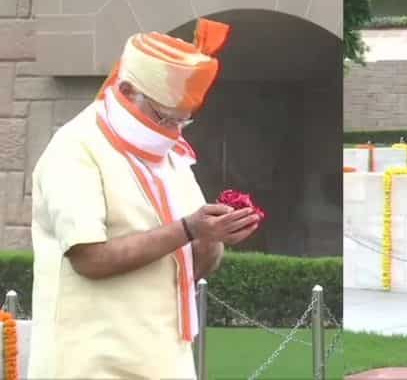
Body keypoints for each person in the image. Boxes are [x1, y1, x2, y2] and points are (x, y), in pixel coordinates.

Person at [27, 19, 264, 378]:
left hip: (166, 359)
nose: (171, 132)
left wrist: (211, 237)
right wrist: (187, 228)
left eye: (182, 123)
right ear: (126, 90)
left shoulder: (172, 156)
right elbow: (89, 258)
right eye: (164, 118)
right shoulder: (75, 148)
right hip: (92, 363)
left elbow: (194, 267)